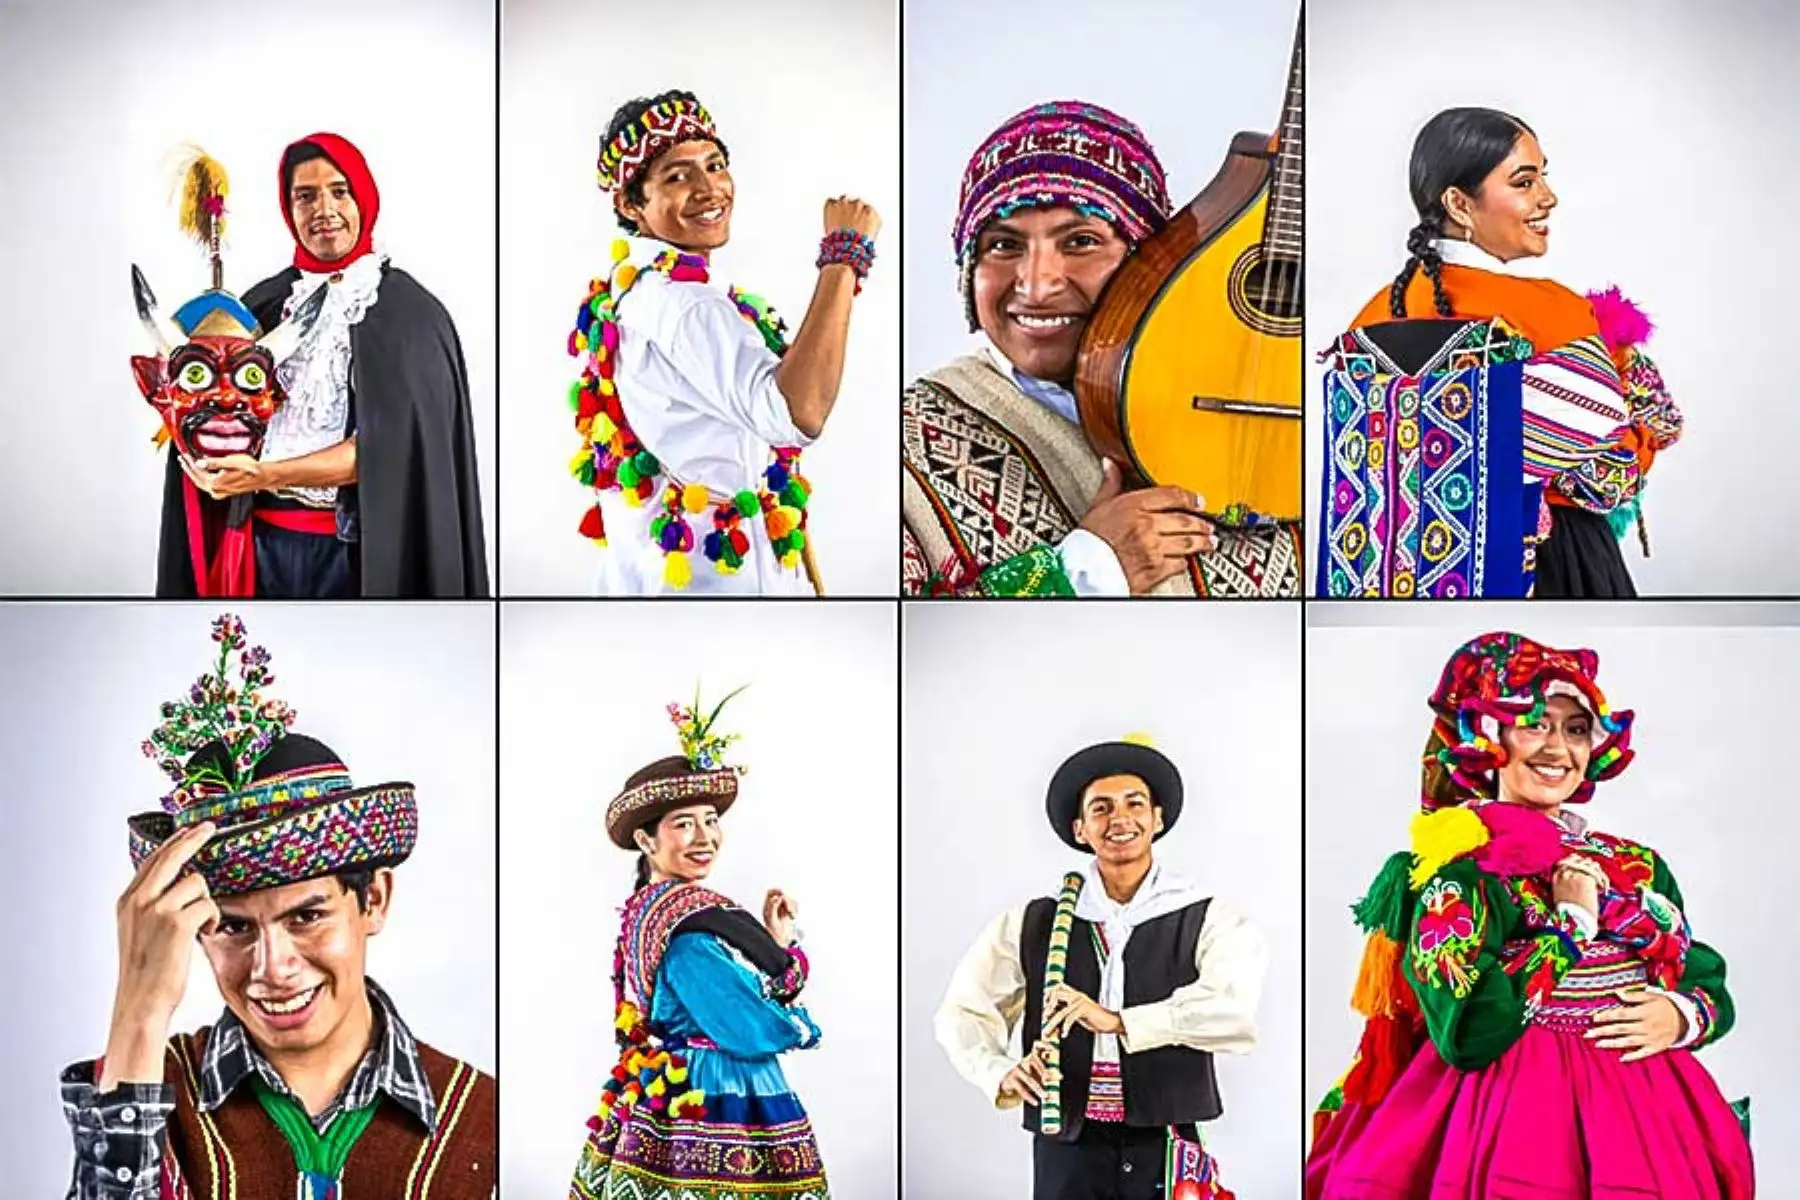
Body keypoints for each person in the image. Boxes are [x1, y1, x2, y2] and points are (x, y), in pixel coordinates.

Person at [60, 613, 496, 1198]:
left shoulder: (480, 1116)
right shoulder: (140, 1089)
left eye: (306, 916)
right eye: (233, 927)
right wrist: (138, 1015)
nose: (272, 967)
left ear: (373, 899)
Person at [1306, 631, 1752, 1198]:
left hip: (1643, 1119)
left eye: (1575, 729)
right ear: (1489, 738)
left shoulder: (1636, 865)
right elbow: (1468, 1032)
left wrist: (1679, 1016)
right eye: (1534, 724)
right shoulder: (1460, 874)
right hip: (1499, 1118)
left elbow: (1706, 977)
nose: (1557, 749)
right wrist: (1570, 927)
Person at [902, 101, 1303, 597]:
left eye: (1081, 241)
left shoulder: (1275, 407)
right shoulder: (910, 441)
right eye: (1004, 246)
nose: (1037, 284)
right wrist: (1084, 572)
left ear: (1151, 263)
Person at [1318, 107, 1683, 599]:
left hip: (1398, 579)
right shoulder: (1556, 314)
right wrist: (1642, 425)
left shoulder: (1372, 315)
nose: (1548, 198)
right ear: (1460, 204)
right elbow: (1609, 479)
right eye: (1525, 182)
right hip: (1551, 564)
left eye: (1542, 178)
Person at [568, 90, 880, 595]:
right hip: (719, 588)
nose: (709, 188)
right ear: (631, 204)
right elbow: (798, 411)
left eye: (714, 165)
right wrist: (844, 257)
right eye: (677, 176)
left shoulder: (628, 288)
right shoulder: (686, 306)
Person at [161, 132, 490, 599]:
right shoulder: (262, 306)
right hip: (258, 546)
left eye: (339, 191)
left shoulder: (409, 315)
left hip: (357, 553)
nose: (324, 210)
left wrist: (270, 474)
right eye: (305, 195)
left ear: (363, 197)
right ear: (288, 208)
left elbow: (386, 452)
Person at [936, 736, 1266, 1199]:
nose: (1120, 819)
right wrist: (998, 1071)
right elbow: (961, 1013)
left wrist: (1116, 1021)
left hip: (1166, 1137)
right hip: (1067, 1144)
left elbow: (1230, 1010)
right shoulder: (1032, 922)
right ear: (1080, 829)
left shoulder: (1208, 915)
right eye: (1101, 808)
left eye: (1135, 803)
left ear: (1158, 819)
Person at [571, 690, 829, 1199]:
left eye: (711, 820)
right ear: (647, 840)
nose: (704, 836)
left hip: (662, 1085)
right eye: (683, 823)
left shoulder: (646, 913)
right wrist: (798, 1017)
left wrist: (774, 944)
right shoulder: (689, 934)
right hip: (715, 1095)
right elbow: (747, 1025)